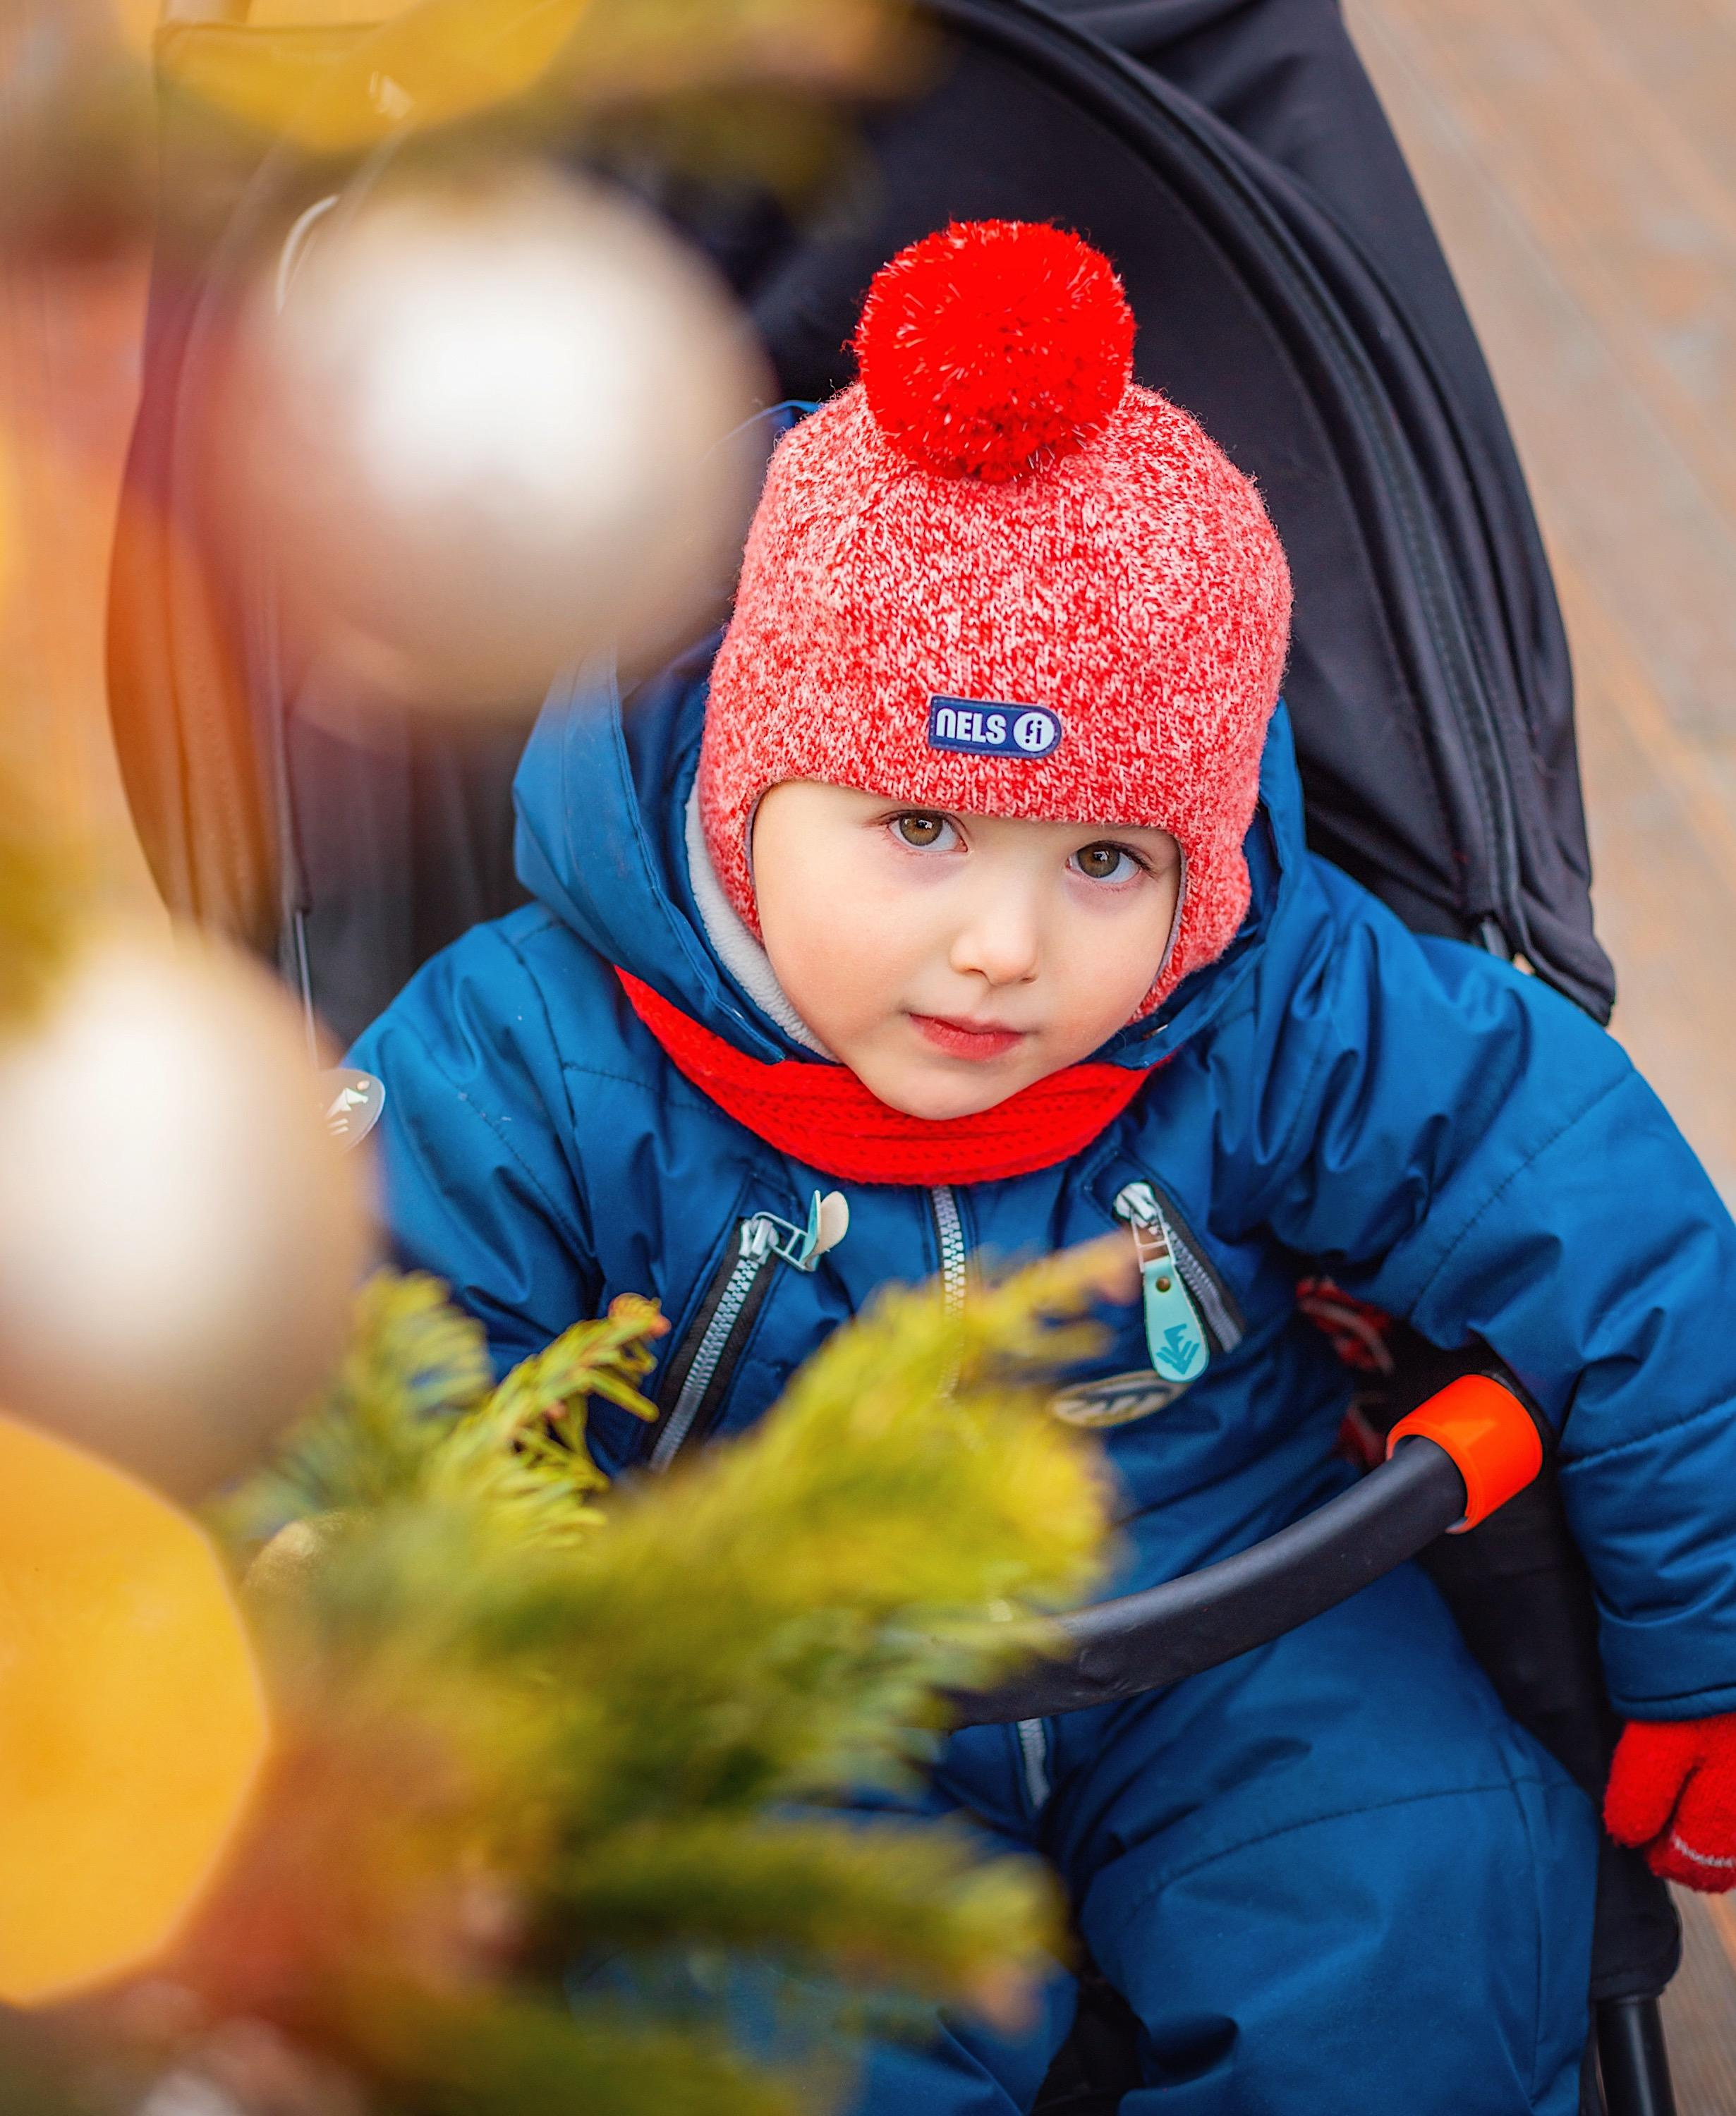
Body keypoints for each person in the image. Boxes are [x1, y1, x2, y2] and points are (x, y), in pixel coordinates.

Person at [350, 219, 1736, 2113]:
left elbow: (1605, 1219)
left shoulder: (1275, 1000)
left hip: (1243, 1600)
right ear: (752, 796)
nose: (1004, 950)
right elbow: (365, 1363)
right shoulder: (539, 1048)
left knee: (1422, 1892)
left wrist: (1711, 1629)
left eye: (1103, 861)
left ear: (1198, 865)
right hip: (763, 1669)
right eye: (922, 824)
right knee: (721, 1993)